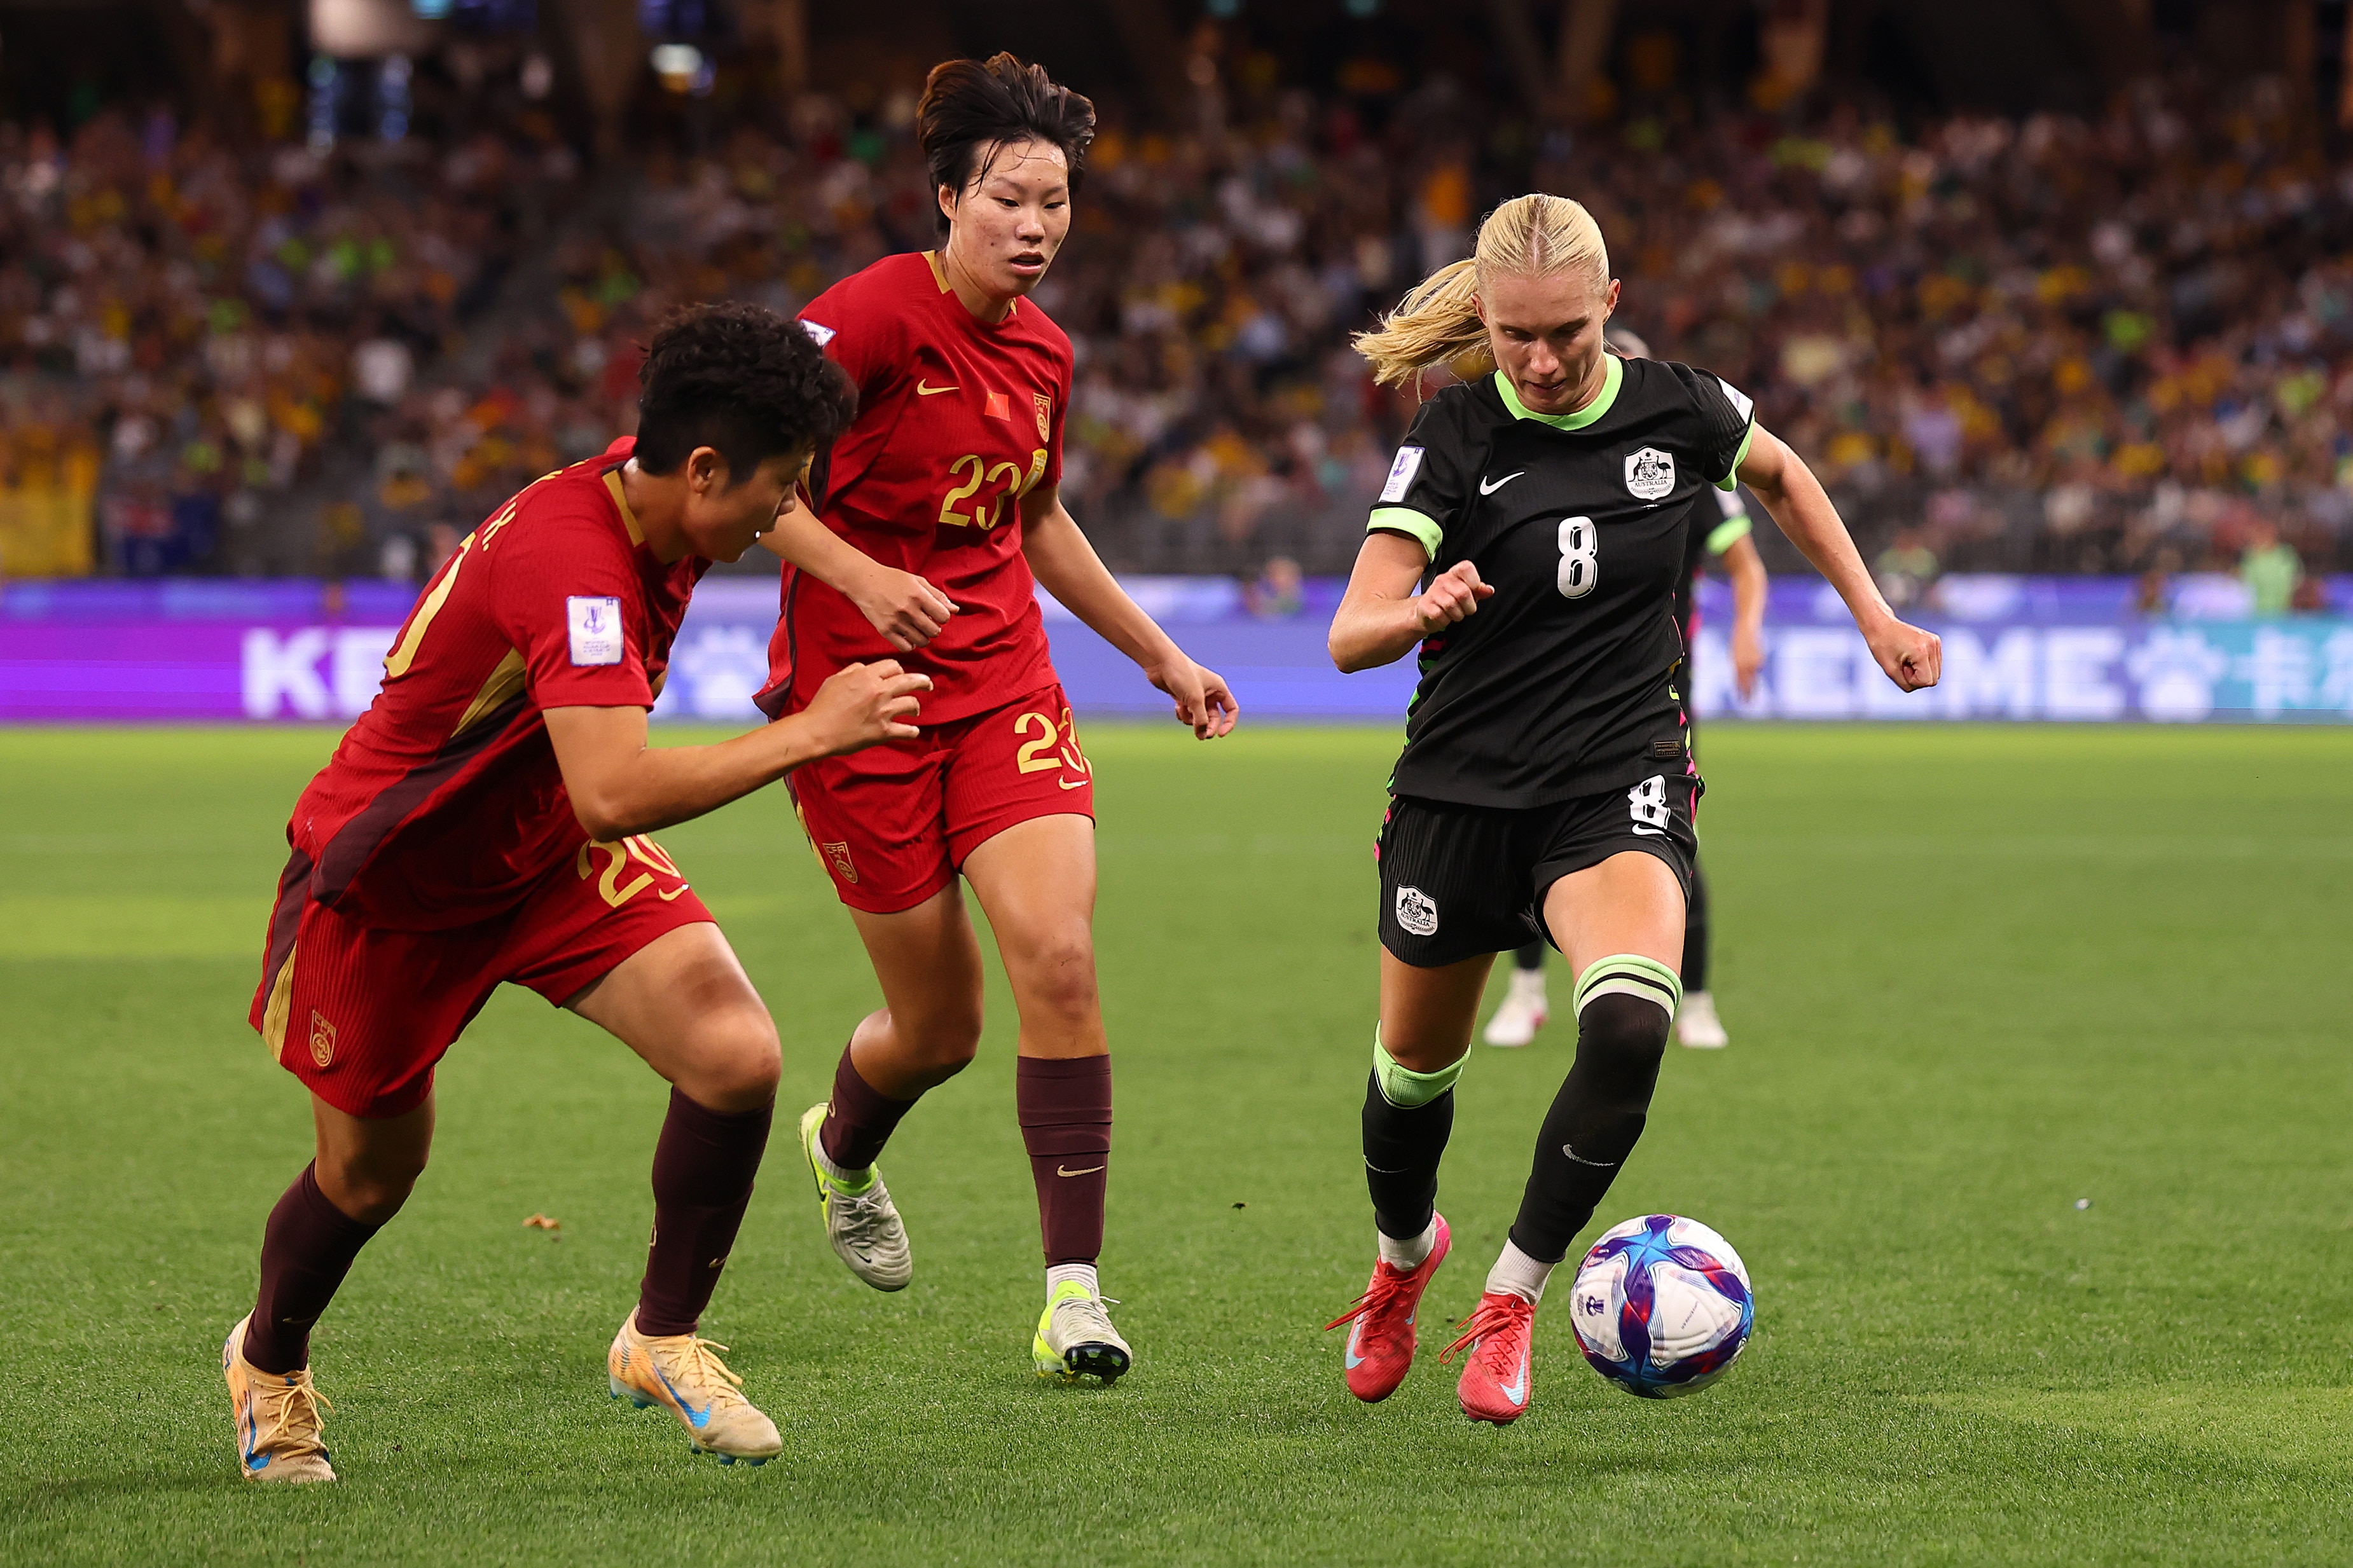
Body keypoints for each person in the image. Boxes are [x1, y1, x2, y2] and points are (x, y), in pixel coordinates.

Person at [224, 303, 930, 1482]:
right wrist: (816, 729)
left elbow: (587, 794)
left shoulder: (657, 488)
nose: (787, 510)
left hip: (543, 856)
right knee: (370, 1176)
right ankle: (267, 1360)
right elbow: (612, 791)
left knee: (735, 1055)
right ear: (703, 469)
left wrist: (859, 572)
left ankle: (661, 1339)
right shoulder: (575, 565)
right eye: (779, 487)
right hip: (394, 884)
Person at [1321, 194, 1938, 1426]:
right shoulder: (1453, 429)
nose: (1542, 361)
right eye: (1515, 336)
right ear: (1483, 320)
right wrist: (1419, 610)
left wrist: (1872, 615)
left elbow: (1783, 476)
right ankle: (1403, 1259)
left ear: (1610, 303)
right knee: (1410, 1084)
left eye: (1567, 332)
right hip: (1457, 792)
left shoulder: (1679, 408)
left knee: (1626, 1025)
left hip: (1617, 778)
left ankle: (1511, 1297)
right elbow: (1349, 634)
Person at [753, 53, 1238, 1386]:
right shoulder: (863, 322)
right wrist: (864, 580)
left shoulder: (1045, 351)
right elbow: (744, 483)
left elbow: (1034, 517)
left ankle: (1072, 1294)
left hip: (1002, 687)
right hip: (858, 707)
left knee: (1060, 957)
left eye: (1056, 202)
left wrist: (1160, 656)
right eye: (1009, 199)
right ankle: (841, 1147)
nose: (1035, 226)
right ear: (948, 199)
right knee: (939, 1032)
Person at [1484, 329, 1767, 1052]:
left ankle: (1696, 999)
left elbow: (1746, 564)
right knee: (1524, 831)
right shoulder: (1551, 464)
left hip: (1656, 694)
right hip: (1550, 691)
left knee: (1669, 842)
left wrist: (1746, 631)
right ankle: (1525, 991)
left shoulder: (1680, 463)